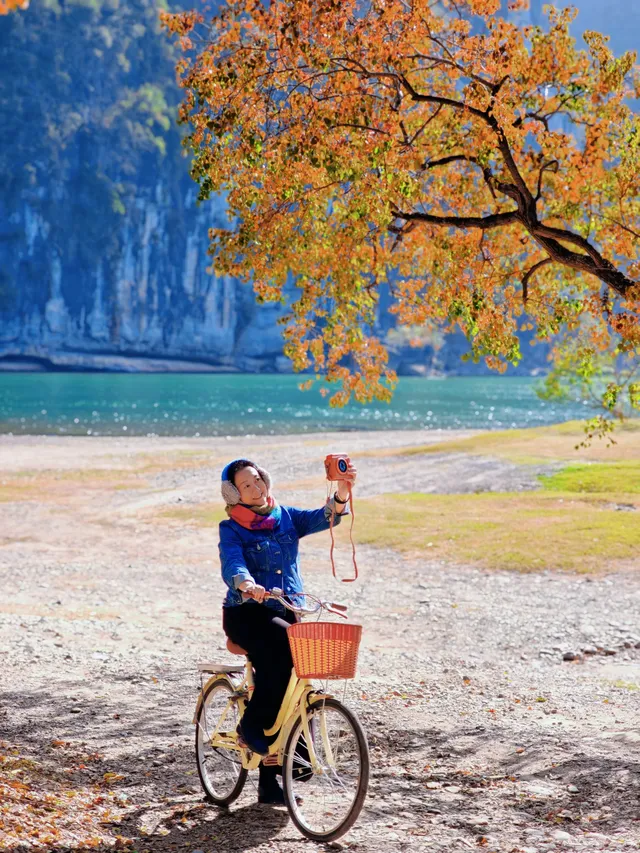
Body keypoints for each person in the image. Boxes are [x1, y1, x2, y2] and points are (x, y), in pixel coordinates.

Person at [218, 456, 356, 805]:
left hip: (287, 610)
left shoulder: (286, 517)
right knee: (280, 656)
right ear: (234, 493)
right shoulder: (231, 527)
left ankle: (273, 778)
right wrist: (247, 584)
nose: (255, 487)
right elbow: (232, 562)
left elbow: (325, 516)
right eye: (245, 485)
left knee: (293, 679)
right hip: (246, 613)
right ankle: (250, 727)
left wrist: (341, 492)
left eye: (257, 479)